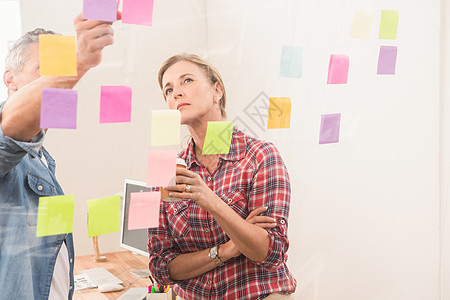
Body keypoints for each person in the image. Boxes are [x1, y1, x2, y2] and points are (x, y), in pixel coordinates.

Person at [147, 53, 297, 300]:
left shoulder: (260, 156)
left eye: (187, 81)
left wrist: (211, 200)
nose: (176, 93)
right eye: (168, 89)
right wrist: (226, 250)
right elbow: (160, 268)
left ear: (217, 90)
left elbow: (271, 253)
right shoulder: (166, 170)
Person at [0, 13, 118, 300]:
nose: (60, 82)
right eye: (47, 69)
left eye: (61, 70)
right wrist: (78, 59)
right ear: (10, 79)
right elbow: (9, 131)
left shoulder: (43, 160)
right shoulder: (11, 146)